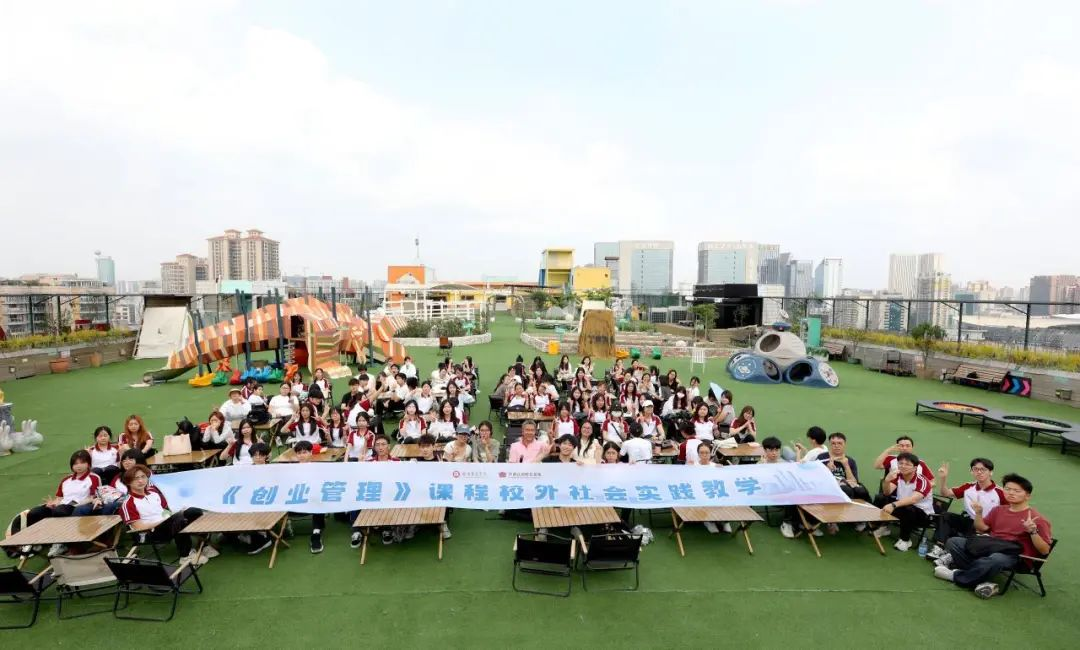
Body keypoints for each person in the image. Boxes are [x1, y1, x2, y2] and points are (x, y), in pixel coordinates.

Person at [934, 473, 1053, 598]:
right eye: (1007, 489)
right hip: (991, 545)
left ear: (1027, 495)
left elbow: (1044, 550)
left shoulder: (1037, 519)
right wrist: (978, 513)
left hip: (1014, 555)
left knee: (995, 559)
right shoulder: (999, 510)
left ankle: (956, 576)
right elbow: (981, 529)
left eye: (1017, 491)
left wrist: (1033, 532)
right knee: (954, 542)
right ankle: (982, 580)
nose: (1011, 493)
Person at [120, 464, 209, 564]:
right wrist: (167, 519)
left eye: (143, 477)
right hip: (149, 533)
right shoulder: (128, 503)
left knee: (193, 511)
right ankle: (185, 556)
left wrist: (178, 511)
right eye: (136, 478)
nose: (141, 481)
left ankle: (204, 545)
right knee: (178, 518)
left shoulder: (153, 494)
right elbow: (139, 527)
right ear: (128, 482)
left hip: (166, 524)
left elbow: (165, 510)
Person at [926, 457, 1006, 561]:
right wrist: (943, 478)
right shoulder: (969, 486)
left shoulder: (1000, 493)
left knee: (974, 534)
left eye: (983, 469)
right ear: (971, 471)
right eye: (975, 469)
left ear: (991, 472)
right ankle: (939, 548)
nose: (979, 472)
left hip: (985, 527)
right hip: (968, 520)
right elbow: (946, 493)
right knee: (946, 516)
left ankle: (953, 554)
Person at [24, 451, 100, 554]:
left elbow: (93, 497)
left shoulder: (93, 478)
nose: (79, 466)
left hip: (78, 507)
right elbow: (59, 498)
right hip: (61, 506)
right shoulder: (66, 479)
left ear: (88, 463)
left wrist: (75, 504)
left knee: (60, 511)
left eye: (82, 462)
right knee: (34, 512)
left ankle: (61, 543)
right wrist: (53, 503)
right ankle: (36, 541)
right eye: (75, 463)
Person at [874, 452, 935, 551]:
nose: (903, 466)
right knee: (881, 498)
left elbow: (913, 499)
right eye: (901, 463)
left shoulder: (923, 481)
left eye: (907, 464)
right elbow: (887, 492)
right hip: (903, 507)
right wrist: (887, 481)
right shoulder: (898, 476)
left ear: (915, 468)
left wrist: (893, 505)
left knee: (909, 509)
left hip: (923, 515)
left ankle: (905, 540)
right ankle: (883, 527)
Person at [815, 433, 871, 532]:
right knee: (846, 490)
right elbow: (816, 479)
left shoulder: (850, 460)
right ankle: (833, 520)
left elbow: (853, 481)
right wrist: (827, 469)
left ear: (844, 444)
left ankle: (860, 519)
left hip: (846, 485)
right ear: (830, 444)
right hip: (827, 487)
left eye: (839, 443)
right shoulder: (822, 458)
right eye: (833, 443)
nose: (836, 446)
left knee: (861, 491)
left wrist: (846, 465)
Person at [758, 437, 799, 538]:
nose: (774, 453)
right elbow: (760, 483)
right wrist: (763, 467)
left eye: (776, 450)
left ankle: (804, 522)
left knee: (797, 492)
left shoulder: (784, 463)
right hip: (770, 495)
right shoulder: (760, 464)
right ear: (765, 450)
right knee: (791, 495)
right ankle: (787, 523)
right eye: (771, 450)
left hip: (784, 492)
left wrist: (798, 455)